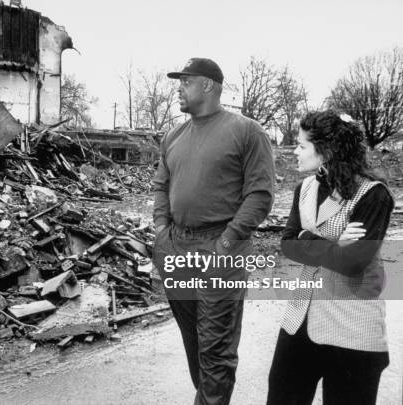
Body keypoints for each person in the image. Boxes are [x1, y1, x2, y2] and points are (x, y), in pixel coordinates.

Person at [152, 58, 275, 405]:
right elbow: (161, 186)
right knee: (194, 340)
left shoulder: (247, 131)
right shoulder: (173, 135)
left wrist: (228, 240)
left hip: (220, 249)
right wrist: (162, 232)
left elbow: (260, 194)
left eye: (185, 81)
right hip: (175, 247)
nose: (179, 87)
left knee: (216, 344)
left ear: (208, 86)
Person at [267, 110, 393, 405]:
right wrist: (336, 243)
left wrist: (305, 239)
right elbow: (287, 244)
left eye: (301, 145)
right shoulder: (305, 188)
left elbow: (355, 262)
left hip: (353, 325)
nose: (295, 151)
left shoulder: (374, 195)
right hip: (300, 318)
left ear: (325, 150)